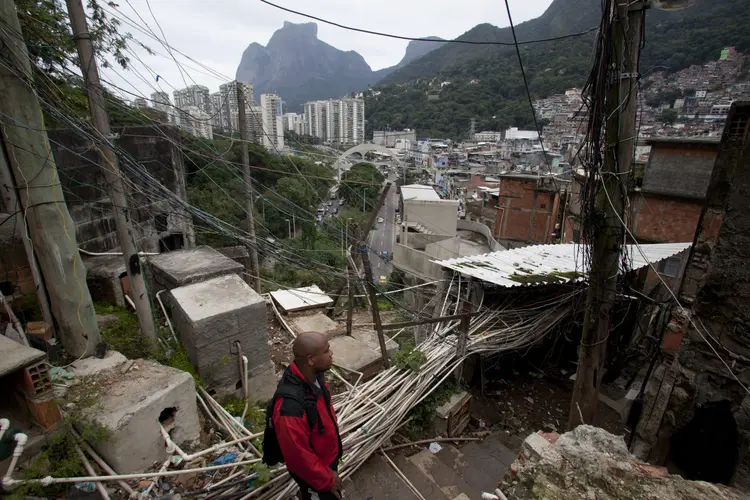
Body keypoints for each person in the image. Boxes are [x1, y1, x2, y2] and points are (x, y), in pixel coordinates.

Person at [263, 331, 343, 499]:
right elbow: (299, 459)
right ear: (310, 359)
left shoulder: (315, 377)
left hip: (326, 460)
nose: (331, 353)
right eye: (326, 351)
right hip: (317, 474)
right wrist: (327, 479)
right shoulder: (290, 409)